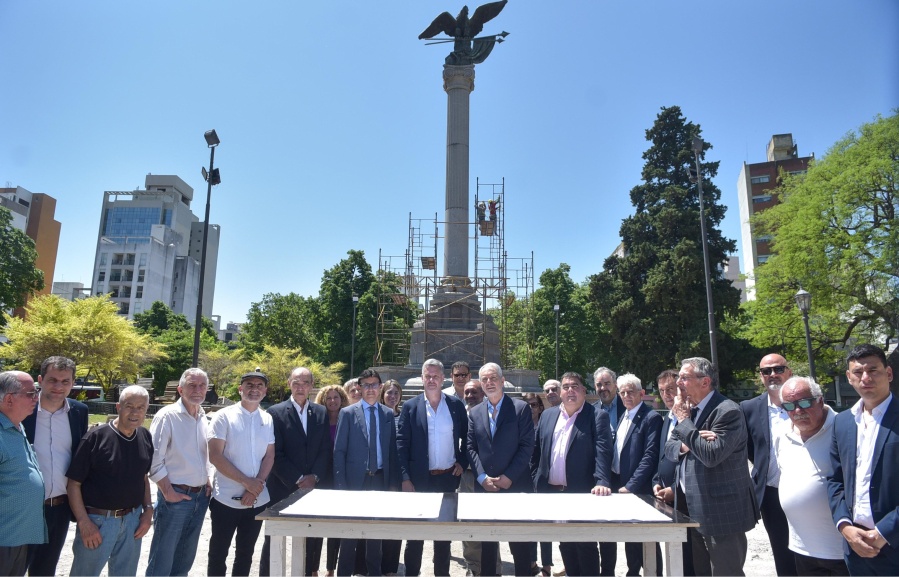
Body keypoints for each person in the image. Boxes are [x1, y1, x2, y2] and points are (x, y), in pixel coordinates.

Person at [665, 357, 758, 576]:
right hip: (692, 509)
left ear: (705, 382)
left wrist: (685, 424)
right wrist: (690, 442)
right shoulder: (690, 411)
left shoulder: (727, 411)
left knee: (726, 572)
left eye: (684, 377)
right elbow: (670, 450)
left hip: (721, 512)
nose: (678, 382)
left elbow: (711, 455)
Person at [67, 385, 154, 576]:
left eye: (141, 407)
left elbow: (143, 478)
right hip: (98, 522)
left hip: (132, 522)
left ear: (146, 410)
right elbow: (73, 483)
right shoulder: (96, 438)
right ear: (118, 407)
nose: (135, 412)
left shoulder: (145, 436)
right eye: (129, 406)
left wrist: (148, 511)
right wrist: (84, 522)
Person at [827, 344, 899, 575]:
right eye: (858, 372)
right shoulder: (843, 422)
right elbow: (835, 480)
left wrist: (885, 532)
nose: (865, 378)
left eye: (873, 370)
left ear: (888, 373)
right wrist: (844, 526)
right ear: (849, 377)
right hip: (855, 547)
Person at [531, 371, 612, 576]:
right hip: (552, 493)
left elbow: (603, 451)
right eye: (566, 387)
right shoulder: (548, 416)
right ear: (560, 391)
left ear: (584, 391)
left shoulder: (597, 416)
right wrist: (535, 479)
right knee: (565, 543)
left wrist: (602, 480)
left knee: (585, 545)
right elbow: (536, 453)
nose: (570, 391)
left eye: (575, 386)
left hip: (582, 492)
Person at [398, 359, 469, 576]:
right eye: (427, 376)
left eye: (435, 376)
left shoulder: (455, 406)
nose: (431, 380)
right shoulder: (411, 407)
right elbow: (401, 443)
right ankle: (412, 573)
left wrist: (462, 462)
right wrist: (405, 477)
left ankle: (442, 574)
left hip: (446, 478)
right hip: (419, 480)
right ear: (422, 378)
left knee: (443, 535)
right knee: (415, 534)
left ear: (443, 378)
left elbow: (468, 438)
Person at [775, 376, 848, 576]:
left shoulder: (844, 428)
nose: (798, 411)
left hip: (842, 549)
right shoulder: (782, 433)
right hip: (802, 547)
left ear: (820, 400)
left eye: (805, 402)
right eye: (789, 406)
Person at [261, 367, 331, 577]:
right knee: (274, 538)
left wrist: (314, 477)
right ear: (289, 383)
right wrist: (299, 479)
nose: (301, 387)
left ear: (311, 385)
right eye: (296, 383)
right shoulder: (275, 412)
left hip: (313, 488)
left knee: (310, 537)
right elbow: (276, 454)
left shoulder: (321, 412)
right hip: (282, 485)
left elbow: (325, 449)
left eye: (305, 383)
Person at [23, 356, 88, 577]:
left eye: (65, 381)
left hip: (59, 508)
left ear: (72, 383)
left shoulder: (79, 412)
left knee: (45, 570)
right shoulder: (23, 410)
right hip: (25, 508)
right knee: (13, 568)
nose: (58, 386)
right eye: (52, 380)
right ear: (40, 380)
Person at [467, 362, 534, 577]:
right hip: (486, 488)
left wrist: (509, 477)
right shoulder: (475, 412)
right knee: (487, 542)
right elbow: (470, 447)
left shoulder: (520, 408)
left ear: (502, 381)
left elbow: (526, 446)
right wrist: (481, 477)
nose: (489, 382)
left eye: (493, 378)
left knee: (519, 545)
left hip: (514, 485)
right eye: (485, 379)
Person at [207, 370, 275, 577]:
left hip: (256, 500)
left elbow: (269, 456)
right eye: (249, 385)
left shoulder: (268, 418)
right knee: (218, 552)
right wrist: (247, 483)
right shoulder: (223, 416)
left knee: (246, 553)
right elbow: (215, 456)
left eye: (259, 386)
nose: (254, 389)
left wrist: (256, 488)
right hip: (226, 499)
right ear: (240, 389)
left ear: (265, 391)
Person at [333, 369, 400, 576]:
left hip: (379, 480)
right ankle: (344, 572)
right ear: (359, 388)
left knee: (375, 534)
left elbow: (391, 453)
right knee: (349, 534)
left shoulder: (388, 414)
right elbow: (339, 451)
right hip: (355, 482)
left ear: (380, 387)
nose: (370, 389)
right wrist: (341, 487)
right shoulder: (347, 413)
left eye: (374, 384)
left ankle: (374, 572)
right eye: (366, 385)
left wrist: (393, 485)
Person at [146, 367, 212, 577]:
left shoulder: (203, 417)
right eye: (192, 385)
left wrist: (207, 479)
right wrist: (167, 492)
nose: (198, 390)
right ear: (181, 389)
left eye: (202, 385)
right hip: (175, 497)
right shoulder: (168, 416)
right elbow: (154, 460)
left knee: (184, 559)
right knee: (162, 560)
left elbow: (204, 456)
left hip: (200, 498)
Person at [601, 373, 663, 576]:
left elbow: (650, 456)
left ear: (641, 393)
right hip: (620, 484)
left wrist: (631, 486)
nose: (626, 395)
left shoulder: (650, 417)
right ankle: (633, 572)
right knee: (631, 538)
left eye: (631, 392)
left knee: (647, 540)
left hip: (638, 488)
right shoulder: (624, 416)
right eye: (623, 392)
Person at [740, 354, 797, 576]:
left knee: (814, 554)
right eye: (766, 371)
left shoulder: (805, 401)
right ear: (761, 376)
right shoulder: (749, 408)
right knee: (783, 553)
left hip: (806, 491)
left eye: (778, 369)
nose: (773, 374)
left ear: (789, 372)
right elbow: (749, 448)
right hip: (771, 494)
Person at [0, 371, 46, 576]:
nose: (36, 397)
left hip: (18, 537)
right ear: (9, 398)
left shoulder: (17, 426)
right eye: (31, 393)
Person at [652, 368, 695, 576]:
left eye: (670, 389)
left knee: (691, 561)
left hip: (688, 501)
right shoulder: (667, 419)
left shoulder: (692, 418)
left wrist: (676, 491)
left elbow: (694, 462)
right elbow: (663, 457)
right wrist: (656, 481)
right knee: (674, 558)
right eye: (662, 390)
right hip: (667, 499)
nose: (666, 395)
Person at [315, 384, 350, 577]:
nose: (332, 401)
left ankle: (331, 568)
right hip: (321, 475)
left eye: (336, 397)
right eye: (328, 398)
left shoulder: (348, 419)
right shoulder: (318, 421)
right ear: (322, 400)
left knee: (336, 526)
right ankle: (313, 568)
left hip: (340, 475)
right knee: (317, 525)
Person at [460, 379, 490, 576]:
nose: (470, 396)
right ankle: (473, 567)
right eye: (467, 392)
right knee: (468, 524)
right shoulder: (458, 412)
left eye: (475, 392)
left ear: (483, 394)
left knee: (490, 523)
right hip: (466, 475)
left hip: (488, 476)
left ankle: (492, 567)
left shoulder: (491, 412)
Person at [522, 392, 553, 577]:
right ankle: (531, 561)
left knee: (545, 524)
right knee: (528, 523)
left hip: (542, 481)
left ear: (541, 407)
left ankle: (547, 564)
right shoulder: (520, 426)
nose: (531, 409)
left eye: (534, 405)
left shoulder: (546, 425)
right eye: (527, 405)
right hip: (524, 481)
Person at [379, 378, 403, 576]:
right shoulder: (376, 415)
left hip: (398, 474)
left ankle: (391, 568)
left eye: (396, 393)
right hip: (379, 474)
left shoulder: (404, 416)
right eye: (389, 393)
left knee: (396, 523)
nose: (392, 396)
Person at [594, 367, 625, 440]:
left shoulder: (627, 406)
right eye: (599, 385)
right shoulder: (591, 411)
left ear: (615, 385)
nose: (603, 388)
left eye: (607, 383)